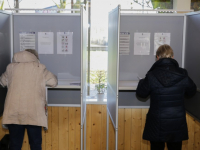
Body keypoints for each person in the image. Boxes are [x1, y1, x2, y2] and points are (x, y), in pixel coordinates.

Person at [136, 44, 197, 150]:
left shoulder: (152, 75)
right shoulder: (182, 74)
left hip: (156, 123)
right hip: (177, 122)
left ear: (157, 57)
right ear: (172, 57)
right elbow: (192, 91)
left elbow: (141, 93)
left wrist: (142, 81)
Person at [0, 49, 58, 150]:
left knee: (14, 145)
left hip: (14, 112)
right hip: (33, 113)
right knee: (35, 144)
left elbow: (2, 82)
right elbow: (53, 82)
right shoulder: (40, 68)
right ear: (35, 58)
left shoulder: (11, 67)